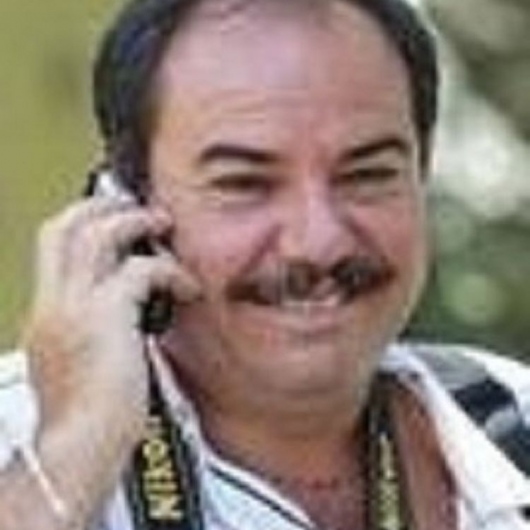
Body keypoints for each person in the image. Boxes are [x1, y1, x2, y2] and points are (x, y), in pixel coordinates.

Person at [1, 0, 530, 528]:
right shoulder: (22, 439)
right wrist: (68, 460)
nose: (318, 243)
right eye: (245, 184)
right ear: (123, 200)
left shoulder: (511, 420)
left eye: (367, 175)